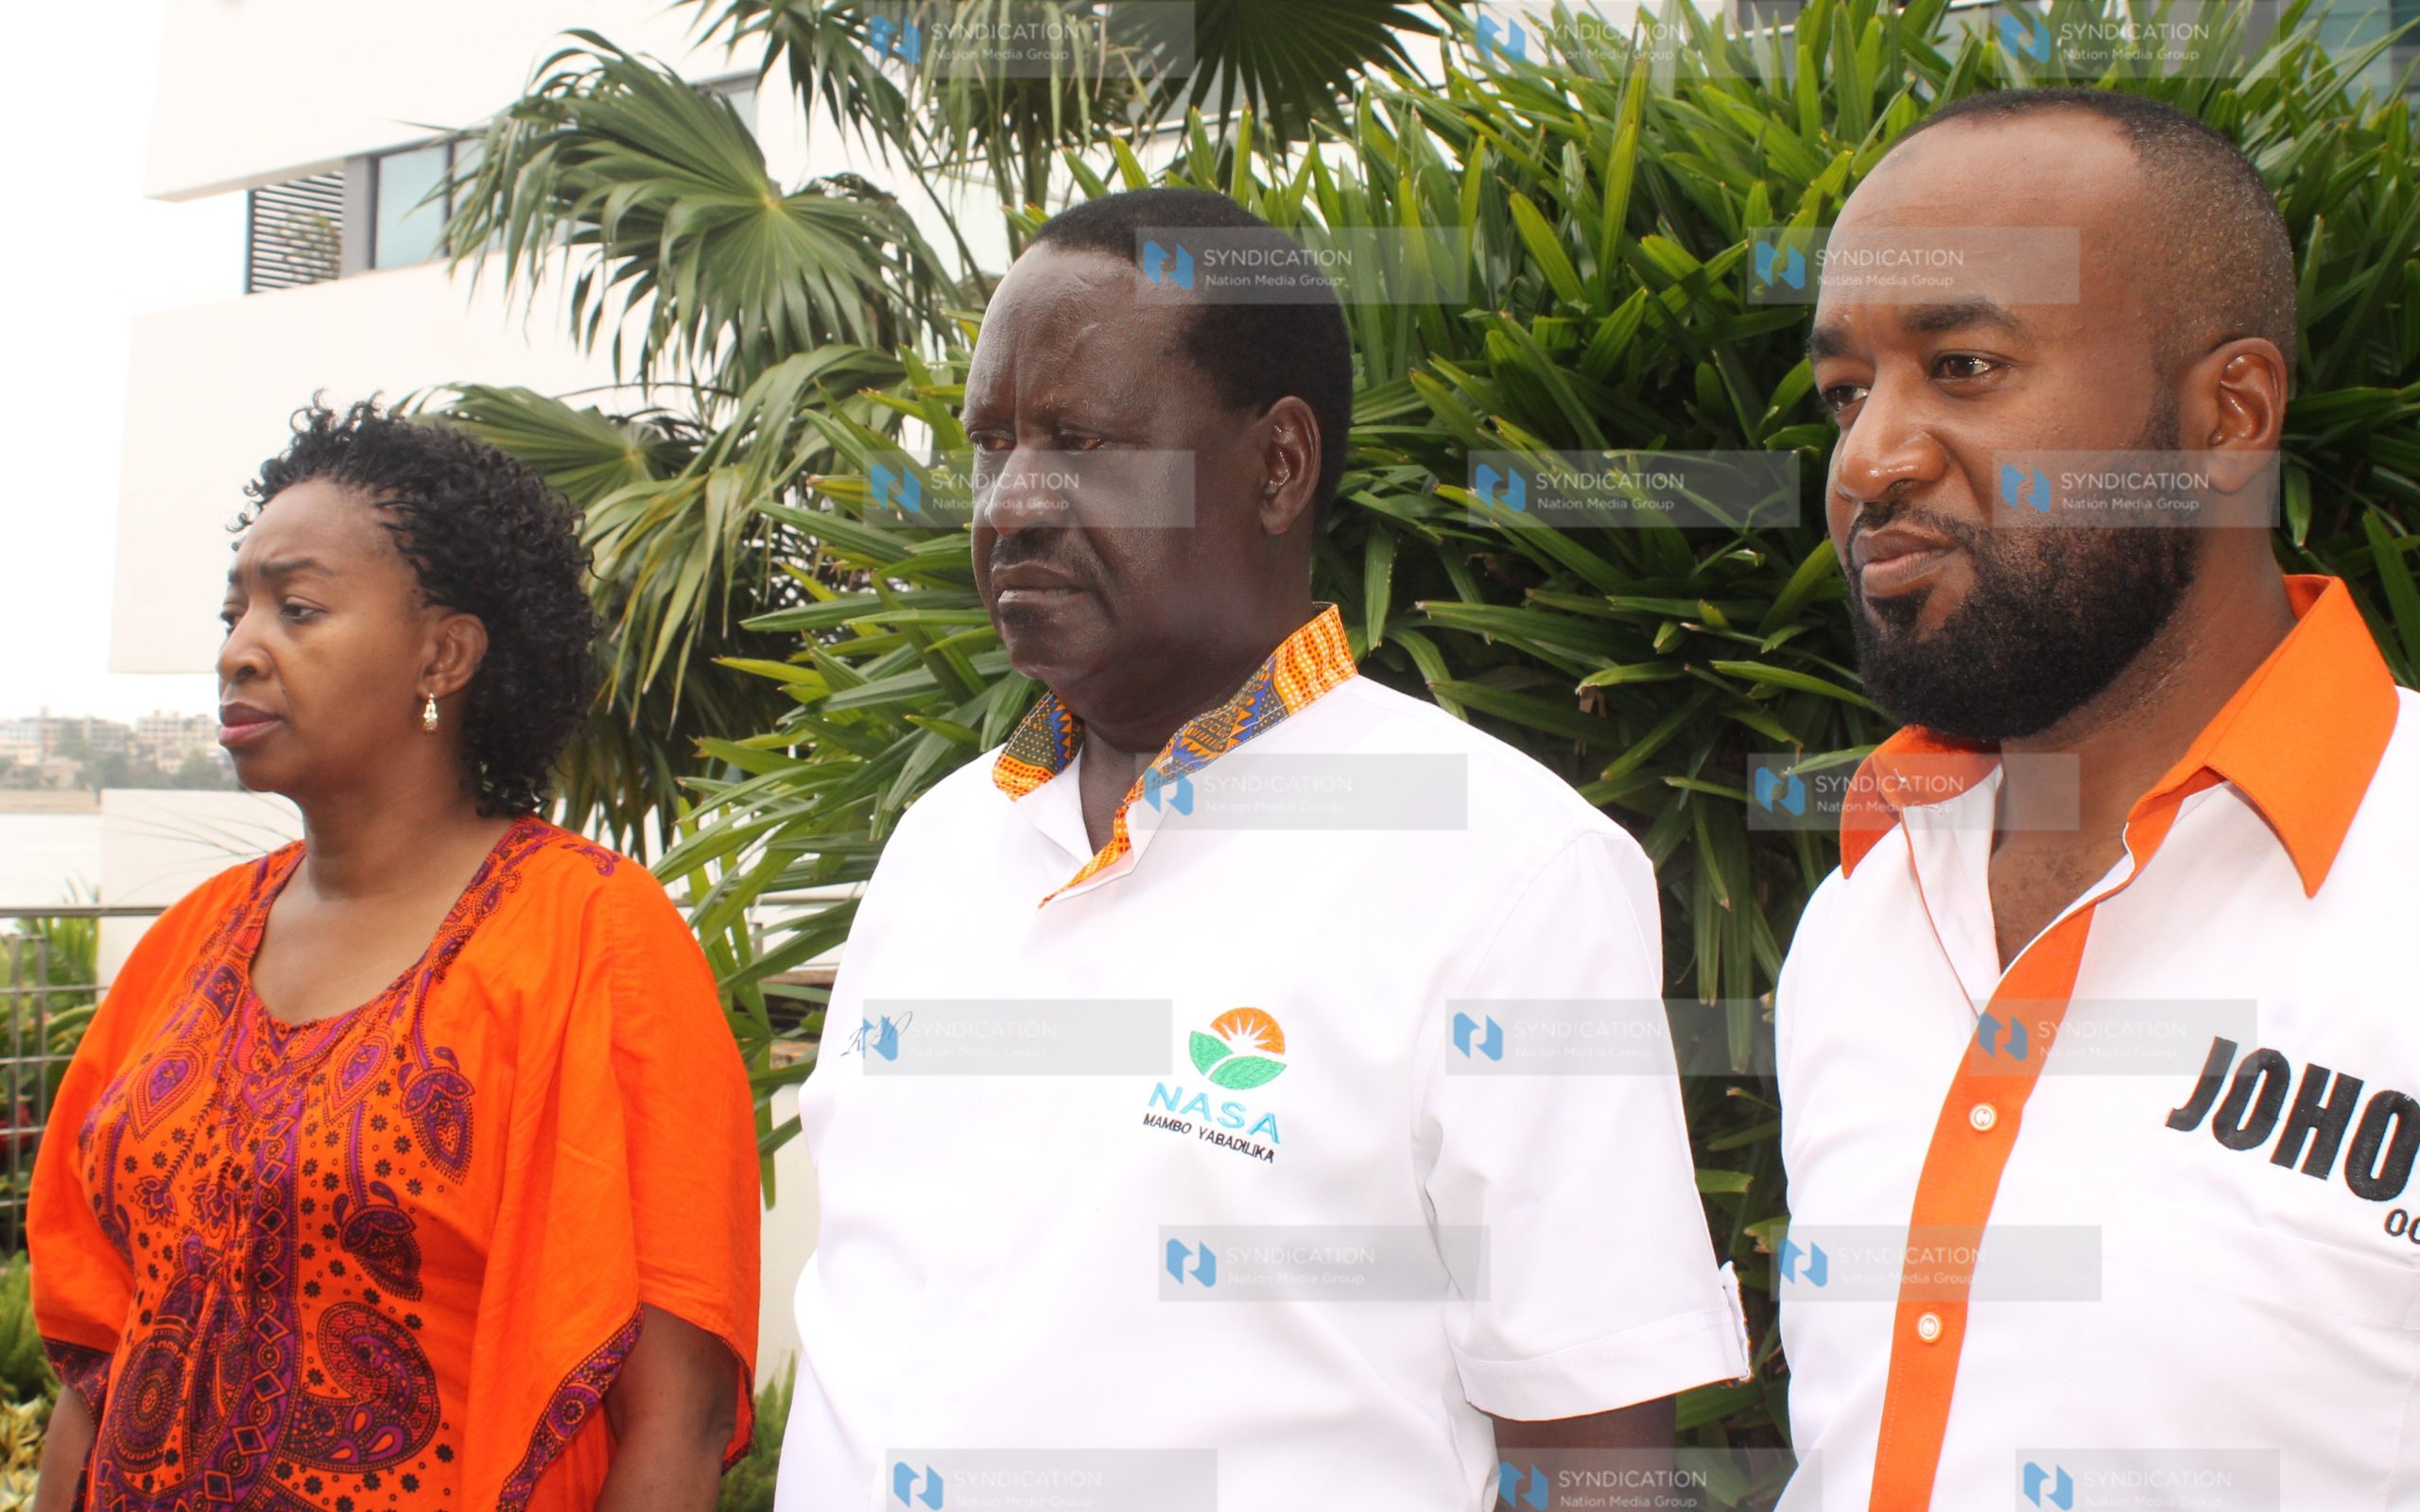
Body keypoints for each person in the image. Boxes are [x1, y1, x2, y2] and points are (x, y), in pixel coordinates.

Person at [774, 188, 1751, 1510]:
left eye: (1075, 439)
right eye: (989, 444)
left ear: (1278, 466)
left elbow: (1593, 1458)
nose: (1011, 504)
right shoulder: (939, 851)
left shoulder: (1509, 870)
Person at [1778, 89, 2418, 1508]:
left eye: (1963, 365)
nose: (1869, 460)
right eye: (1846, 392)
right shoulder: (1858, 918)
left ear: (2227, 414)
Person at [30, 400, 762, 1512]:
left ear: (444, 653)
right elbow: (97, 1354)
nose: (239, 648)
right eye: (235, 610)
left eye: (299, 606)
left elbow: (679, 1413)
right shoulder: (188, 942)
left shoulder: (590, 936)